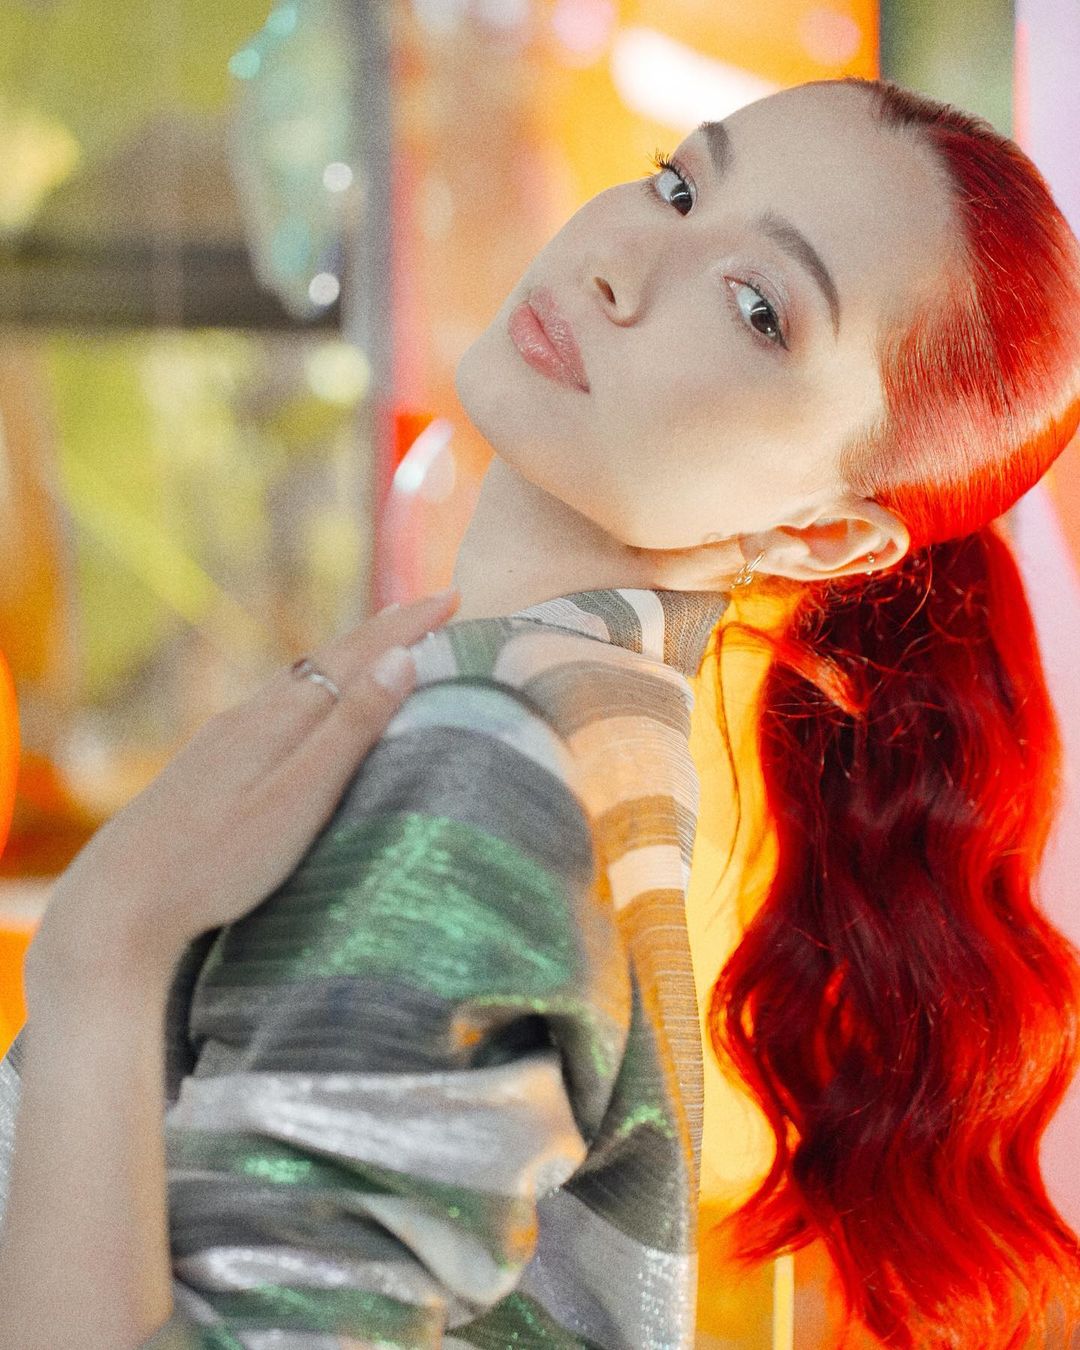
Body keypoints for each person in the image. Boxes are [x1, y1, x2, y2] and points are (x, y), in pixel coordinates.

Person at [1, 72, 1079, 1350]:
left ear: (825, 536)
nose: (619, 262)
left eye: (758, 308)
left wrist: (102, 958)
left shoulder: (494, 752)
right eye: (676, 185)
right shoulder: (576, 727)